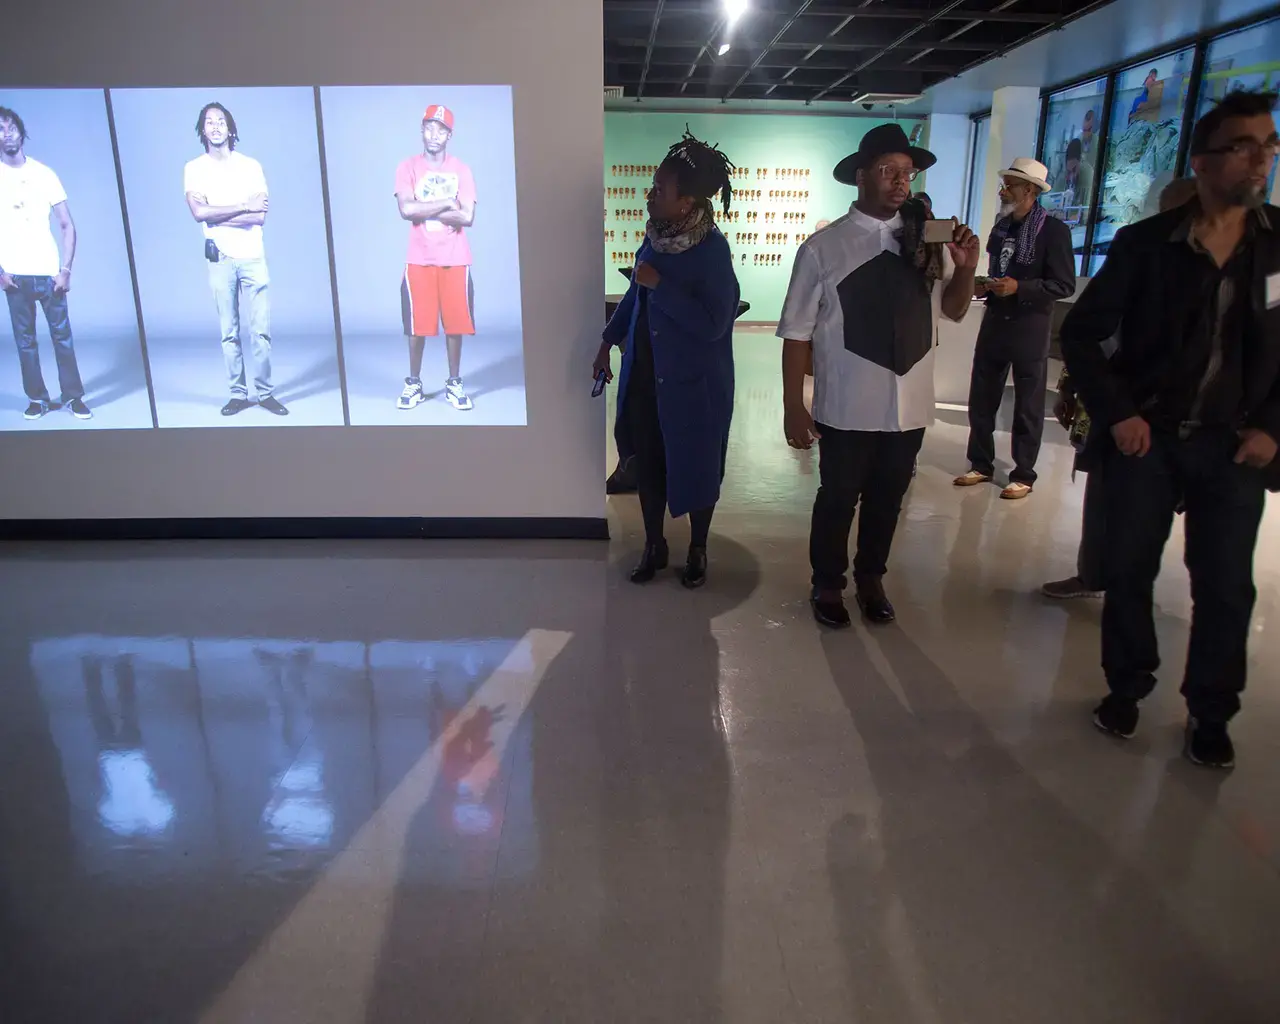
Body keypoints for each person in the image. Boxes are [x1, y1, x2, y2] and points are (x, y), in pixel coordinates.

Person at [1061, 91, 1280, 769]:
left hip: (1233, 446)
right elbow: (1083, 334)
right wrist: (1120, 411)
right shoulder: (1145, 247)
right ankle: (1126, 688)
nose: (1262, 159)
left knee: (1224, 586)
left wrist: (1272, 427)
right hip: (1149, 438)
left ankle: (1211, 712)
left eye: (1270, 145)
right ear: (1204, 161)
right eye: (1245, 145)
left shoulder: (1278, 249)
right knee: (1128, 570)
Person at [779, 124, 980, 628]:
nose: (900, 182)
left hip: (909, 402)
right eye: (889, 171)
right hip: (848, 403)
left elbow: (953, 310)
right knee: (838, 498)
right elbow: (797, 333)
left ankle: (871, 578)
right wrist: (792, 405)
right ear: (861, 176)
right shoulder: (824, 249)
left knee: (889, 499)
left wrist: (967, 264)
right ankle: (827, 582)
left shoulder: (927, 243)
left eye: (907, 173)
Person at [595, 129, 740, 589]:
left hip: (694, 384)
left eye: (660, 189)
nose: (650, 195)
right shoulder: (653, 239)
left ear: (687, 202)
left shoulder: (712, 251)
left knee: (698, 464)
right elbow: (635, 297)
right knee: (650, 464)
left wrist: (664, 286)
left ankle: (697, 547)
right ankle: (653, 544)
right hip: (645, 376)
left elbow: (714, 323)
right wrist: (607, 341)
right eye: (653, 186)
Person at [1044, 176, 1200, 600]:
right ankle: (1097, 577)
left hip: (1206, 419)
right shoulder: (1143, 253)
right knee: (1111, 496)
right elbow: (1090, 335)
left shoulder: (1250, 257)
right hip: (1131, 406)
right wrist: (1078, 390)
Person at [955, 158, 1075, 498]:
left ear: (1031, 191)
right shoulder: (1001, 226)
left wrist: (1020, 288)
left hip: (1029, 327)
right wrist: (984, 284)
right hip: (995, 322)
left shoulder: (1054, 231)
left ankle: (1024, 473)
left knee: (1028, 404)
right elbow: (998, 266)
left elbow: (1063, 284)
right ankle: (980, 463)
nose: (1003, 190)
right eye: (1004, 183)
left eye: (1010, 184)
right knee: (981, 398)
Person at [184, 103, 284, 418]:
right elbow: (199, 213)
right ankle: (238, 394)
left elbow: (260, 216)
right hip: (220, 258)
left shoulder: (250, 166)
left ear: (231, 128)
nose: (215, 126)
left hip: (253, 256)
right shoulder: (194, 168)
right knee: (229, 332)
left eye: (221, 121)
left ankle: (265, 392)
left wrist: (219, 214)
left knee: (261, 331)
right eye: (209, 122)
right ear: (202, 130)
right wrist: (243, 205)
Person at [0, 106, 90, 421]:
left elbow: (67, 225)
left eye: (11, 127)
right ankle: (36, 399)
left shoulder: (43, 173)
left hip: (49, 274)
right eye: (0, 129)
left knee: (62, 339)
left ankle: (73, 397)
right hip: (14, 276)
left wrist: (65, 270)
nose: (6, 133)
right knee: (25, 344)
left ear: (21, 132)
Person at [395, 104, 477, 412]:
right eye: (429, 127)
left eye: (441, 129)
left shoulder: (462, 170)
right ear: (422, 130)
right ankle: (414, 381)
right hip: (419, 257)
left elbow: (468, 216)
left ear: (449, 135)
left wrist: (424, 205)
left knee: (454, 324)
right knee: (417, 326)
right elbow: (406, 210)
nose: (434, 134)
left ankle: (454, 382)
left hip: (456, 258)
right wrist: (446, 202)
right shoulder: (407, 168)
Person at [1063, 138, 1094, 217]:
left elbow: (1083, 213)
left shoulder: (1087, 173)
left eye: (1074, 170)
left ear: (1081, 160)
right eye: (1069, 171)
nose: (1071, 176)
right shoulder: (1069, 173)